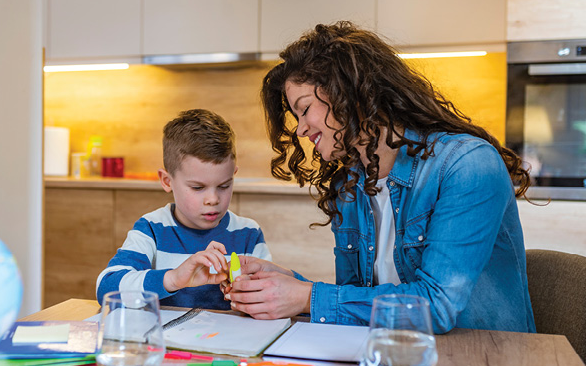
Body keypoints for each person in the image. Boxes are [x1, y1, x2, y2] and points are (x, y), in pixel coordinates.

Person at [225, 21, 536, 334]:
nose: (301, 129)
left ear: (348, 94)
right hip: (396, 355)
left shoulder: (466, 165)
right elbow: (360, 300)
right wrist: (288, 287)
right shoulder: (349, 184)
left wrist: (306, 297)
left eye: (304, 109)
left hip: (488, 365)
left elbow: (436, 306)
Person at [96, 109, 272, 310]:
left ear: (234, 174)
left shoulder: (248, 233)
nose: (213, 199)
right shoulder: (152, 229)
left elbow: (270, 297)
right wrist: (173, 278)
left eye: (224, 186)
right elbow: (106, 288)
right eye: (198, 188)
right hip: (165, 339)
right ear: (167, 181)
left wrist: (250, 294)